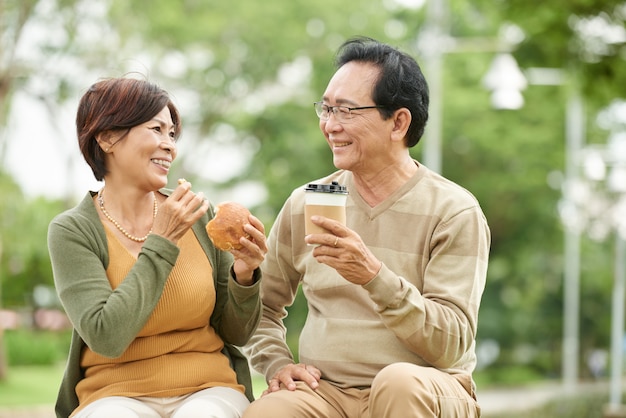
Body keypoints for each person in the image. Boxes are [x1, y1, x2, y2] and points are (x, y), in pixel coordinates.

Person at [243, 36, 490, 418]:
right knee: (268, 412)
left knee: (398, 383)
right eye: (325, 109)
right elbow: (261, 308)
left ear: (399, 122)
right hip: (327, 394)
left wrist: (374, 276)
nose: (329, 125)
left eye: (345, 111)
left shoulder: (454, 210)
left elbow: (451, 345)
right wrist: (277, 364)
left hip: (425, 387)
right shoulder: (306, 202)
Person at [48, 76, 267, 418]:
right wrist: (162, 241)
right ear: (106, 138)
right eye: (155, 129)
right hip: (112, 395)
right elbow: (107, 337)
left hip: (208, 390)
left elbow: (234, 332)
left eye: (172, 134)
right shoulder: (72, 230)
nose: (169, 145)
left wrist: (244, 274)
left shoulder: (197, 215)